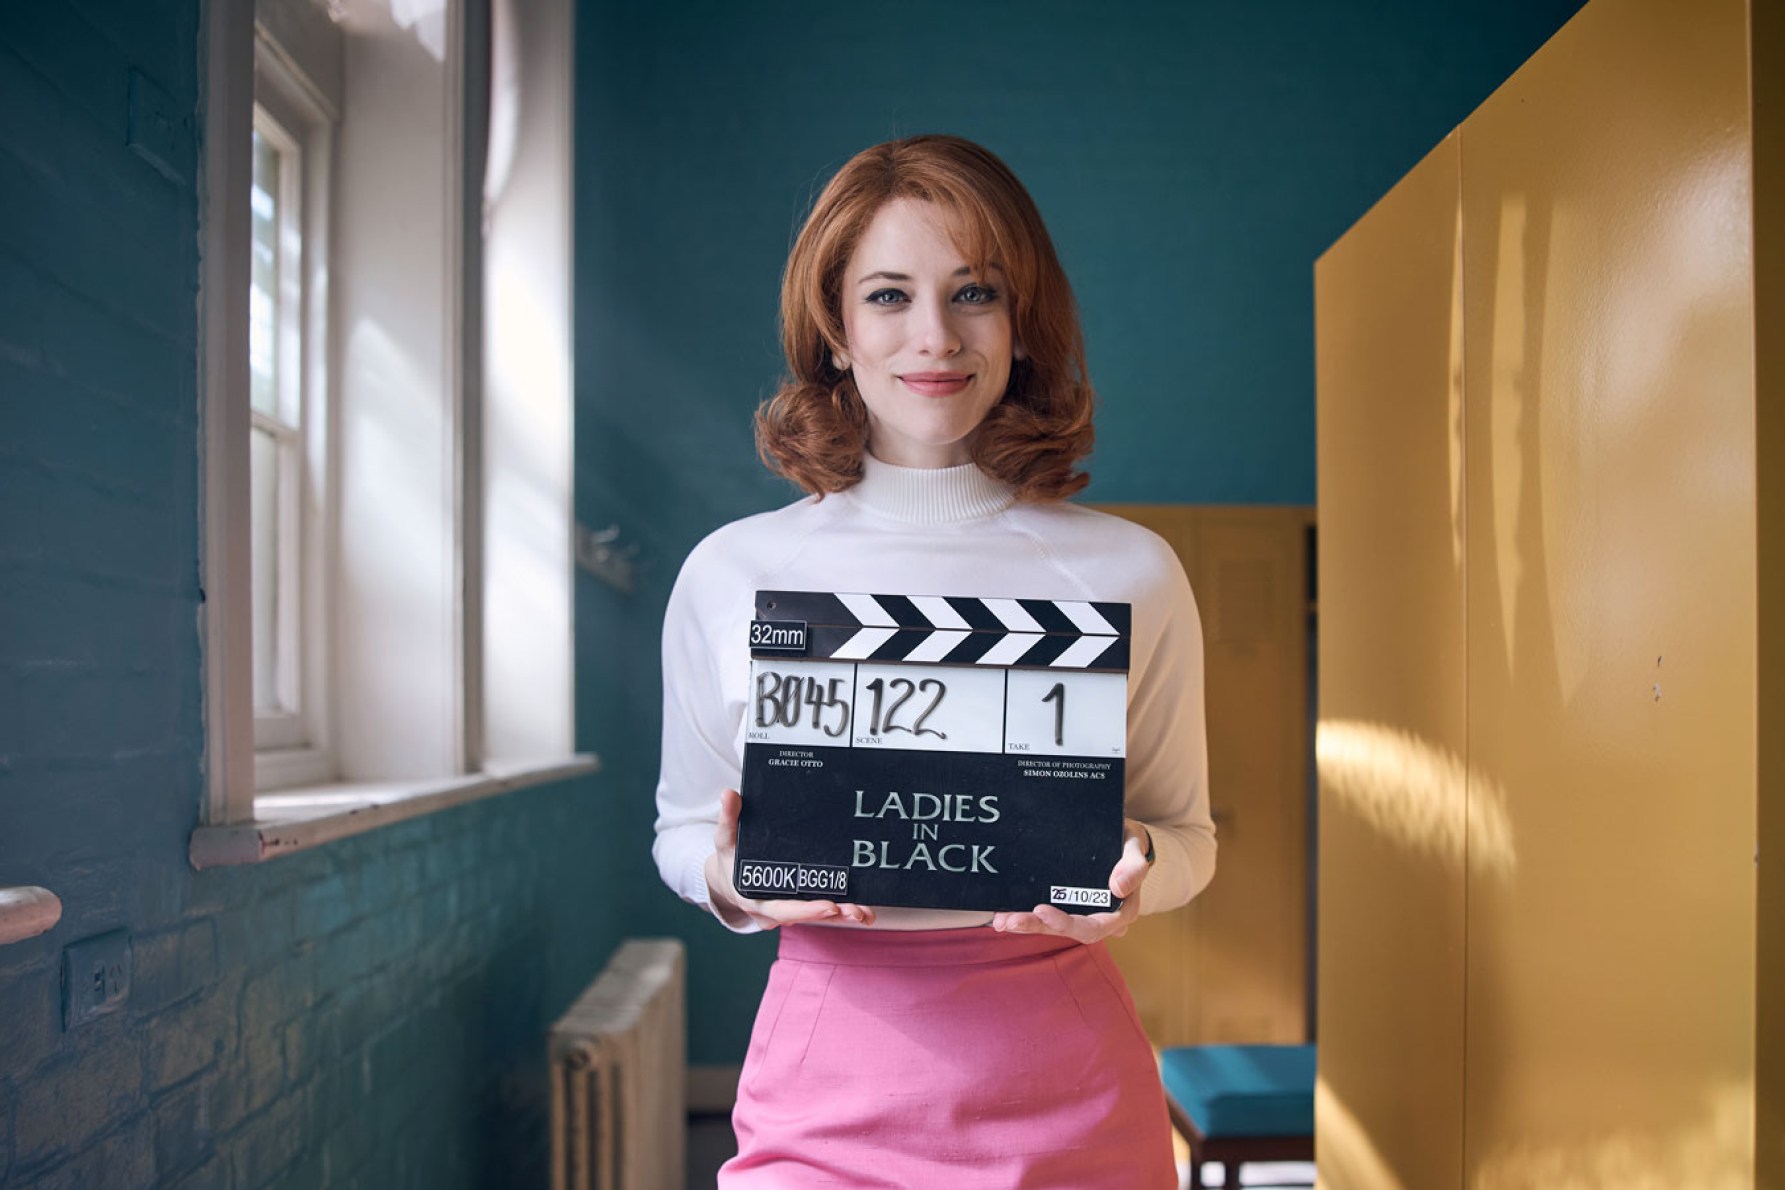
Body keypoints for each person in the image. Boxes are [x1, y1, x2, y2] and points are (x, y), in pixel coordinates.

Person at [653, 134, 1216, 1188]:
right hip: (824, 1085)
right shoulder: (735, 571)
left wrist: (1133, 858)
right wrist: (738, 874)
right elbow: (682, 829)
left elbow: (1189, 836)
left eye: (974, 292)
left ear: (1022, 323)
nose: (934, 336)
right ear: (832, 329)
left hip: (1069, 1088)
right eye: (886, 295)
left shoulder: (1130, 570)